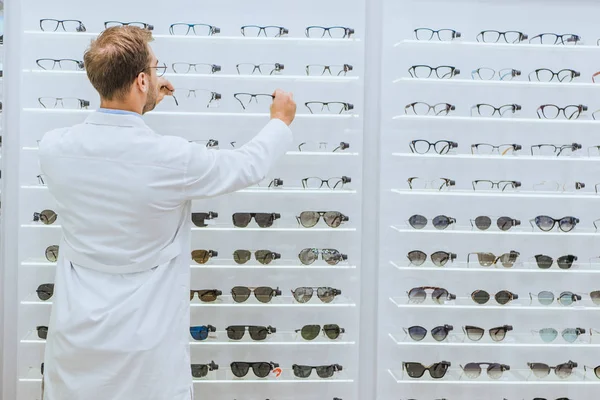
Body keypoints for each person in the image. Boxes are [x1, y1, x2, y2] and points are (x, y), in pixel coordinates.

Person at [37, 26, 296, 400]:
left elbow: (118, 155)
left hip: (76, 343)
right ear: (142, 80)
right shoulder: (175, 160)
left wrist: (141, 104)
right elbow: (247, 166)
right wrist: (279, 121)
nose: (158, 76)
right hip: (146, 350)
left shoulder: (54, 148)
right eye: (155, 70)